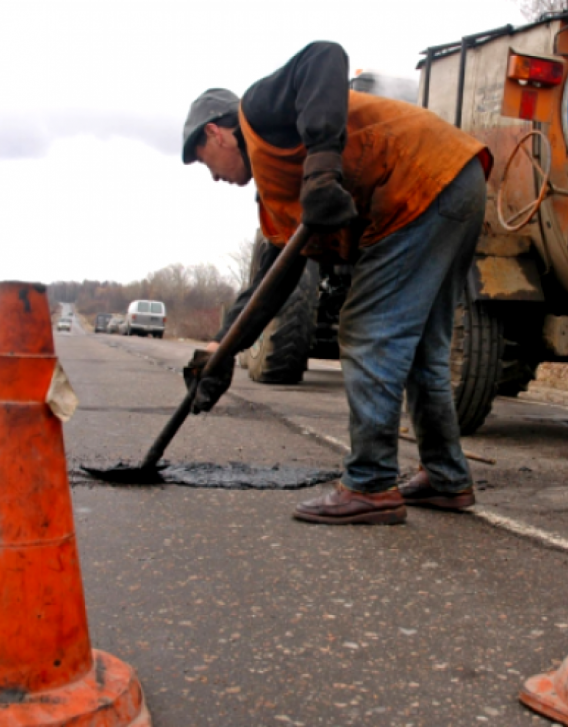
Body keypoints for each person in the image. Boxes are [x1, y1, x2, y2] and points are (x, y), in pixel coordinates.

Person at [181, 42, 490, 525]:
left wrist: (323, 170)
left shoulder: (259, 113)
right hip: (453, 178)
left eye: (203, 162)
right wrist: (222, 348)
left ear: (215, 133)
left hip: (421, 181)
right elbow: (272, 284)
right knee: (425, 351)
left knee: (368, 328)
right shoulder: (275, 195)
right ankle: (446, 478)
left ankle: (369, 484)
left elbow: (324, 56)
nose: (213, 178)